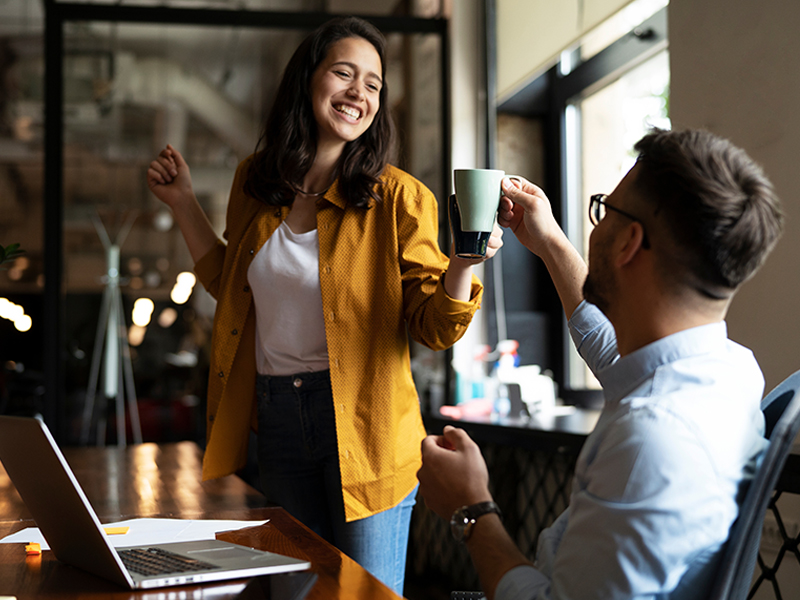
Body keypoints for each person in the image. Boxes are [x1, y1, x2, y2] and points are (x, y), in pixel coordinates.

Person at [146, 16, 502, 595]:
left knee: (363, 596)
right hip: (279, 422)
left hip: (368, 427)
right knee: (290, 593)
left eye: (373, 84)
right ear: (307, 80)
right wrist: (184, 203)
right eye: (344, 73)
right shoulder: (254, 183)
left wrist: (463, 263)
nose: (359, 93)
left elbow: (434, 329)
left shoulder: (400, 198)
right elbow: (234, 291)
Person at [417, 128, 784, 600]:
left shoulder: (648, 441)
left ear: (630, 241)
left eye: (604, 208)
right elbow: (615, 355)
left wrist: (471, 509)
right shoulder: (729, 371)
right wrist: (548, 241)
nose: (597, 222)